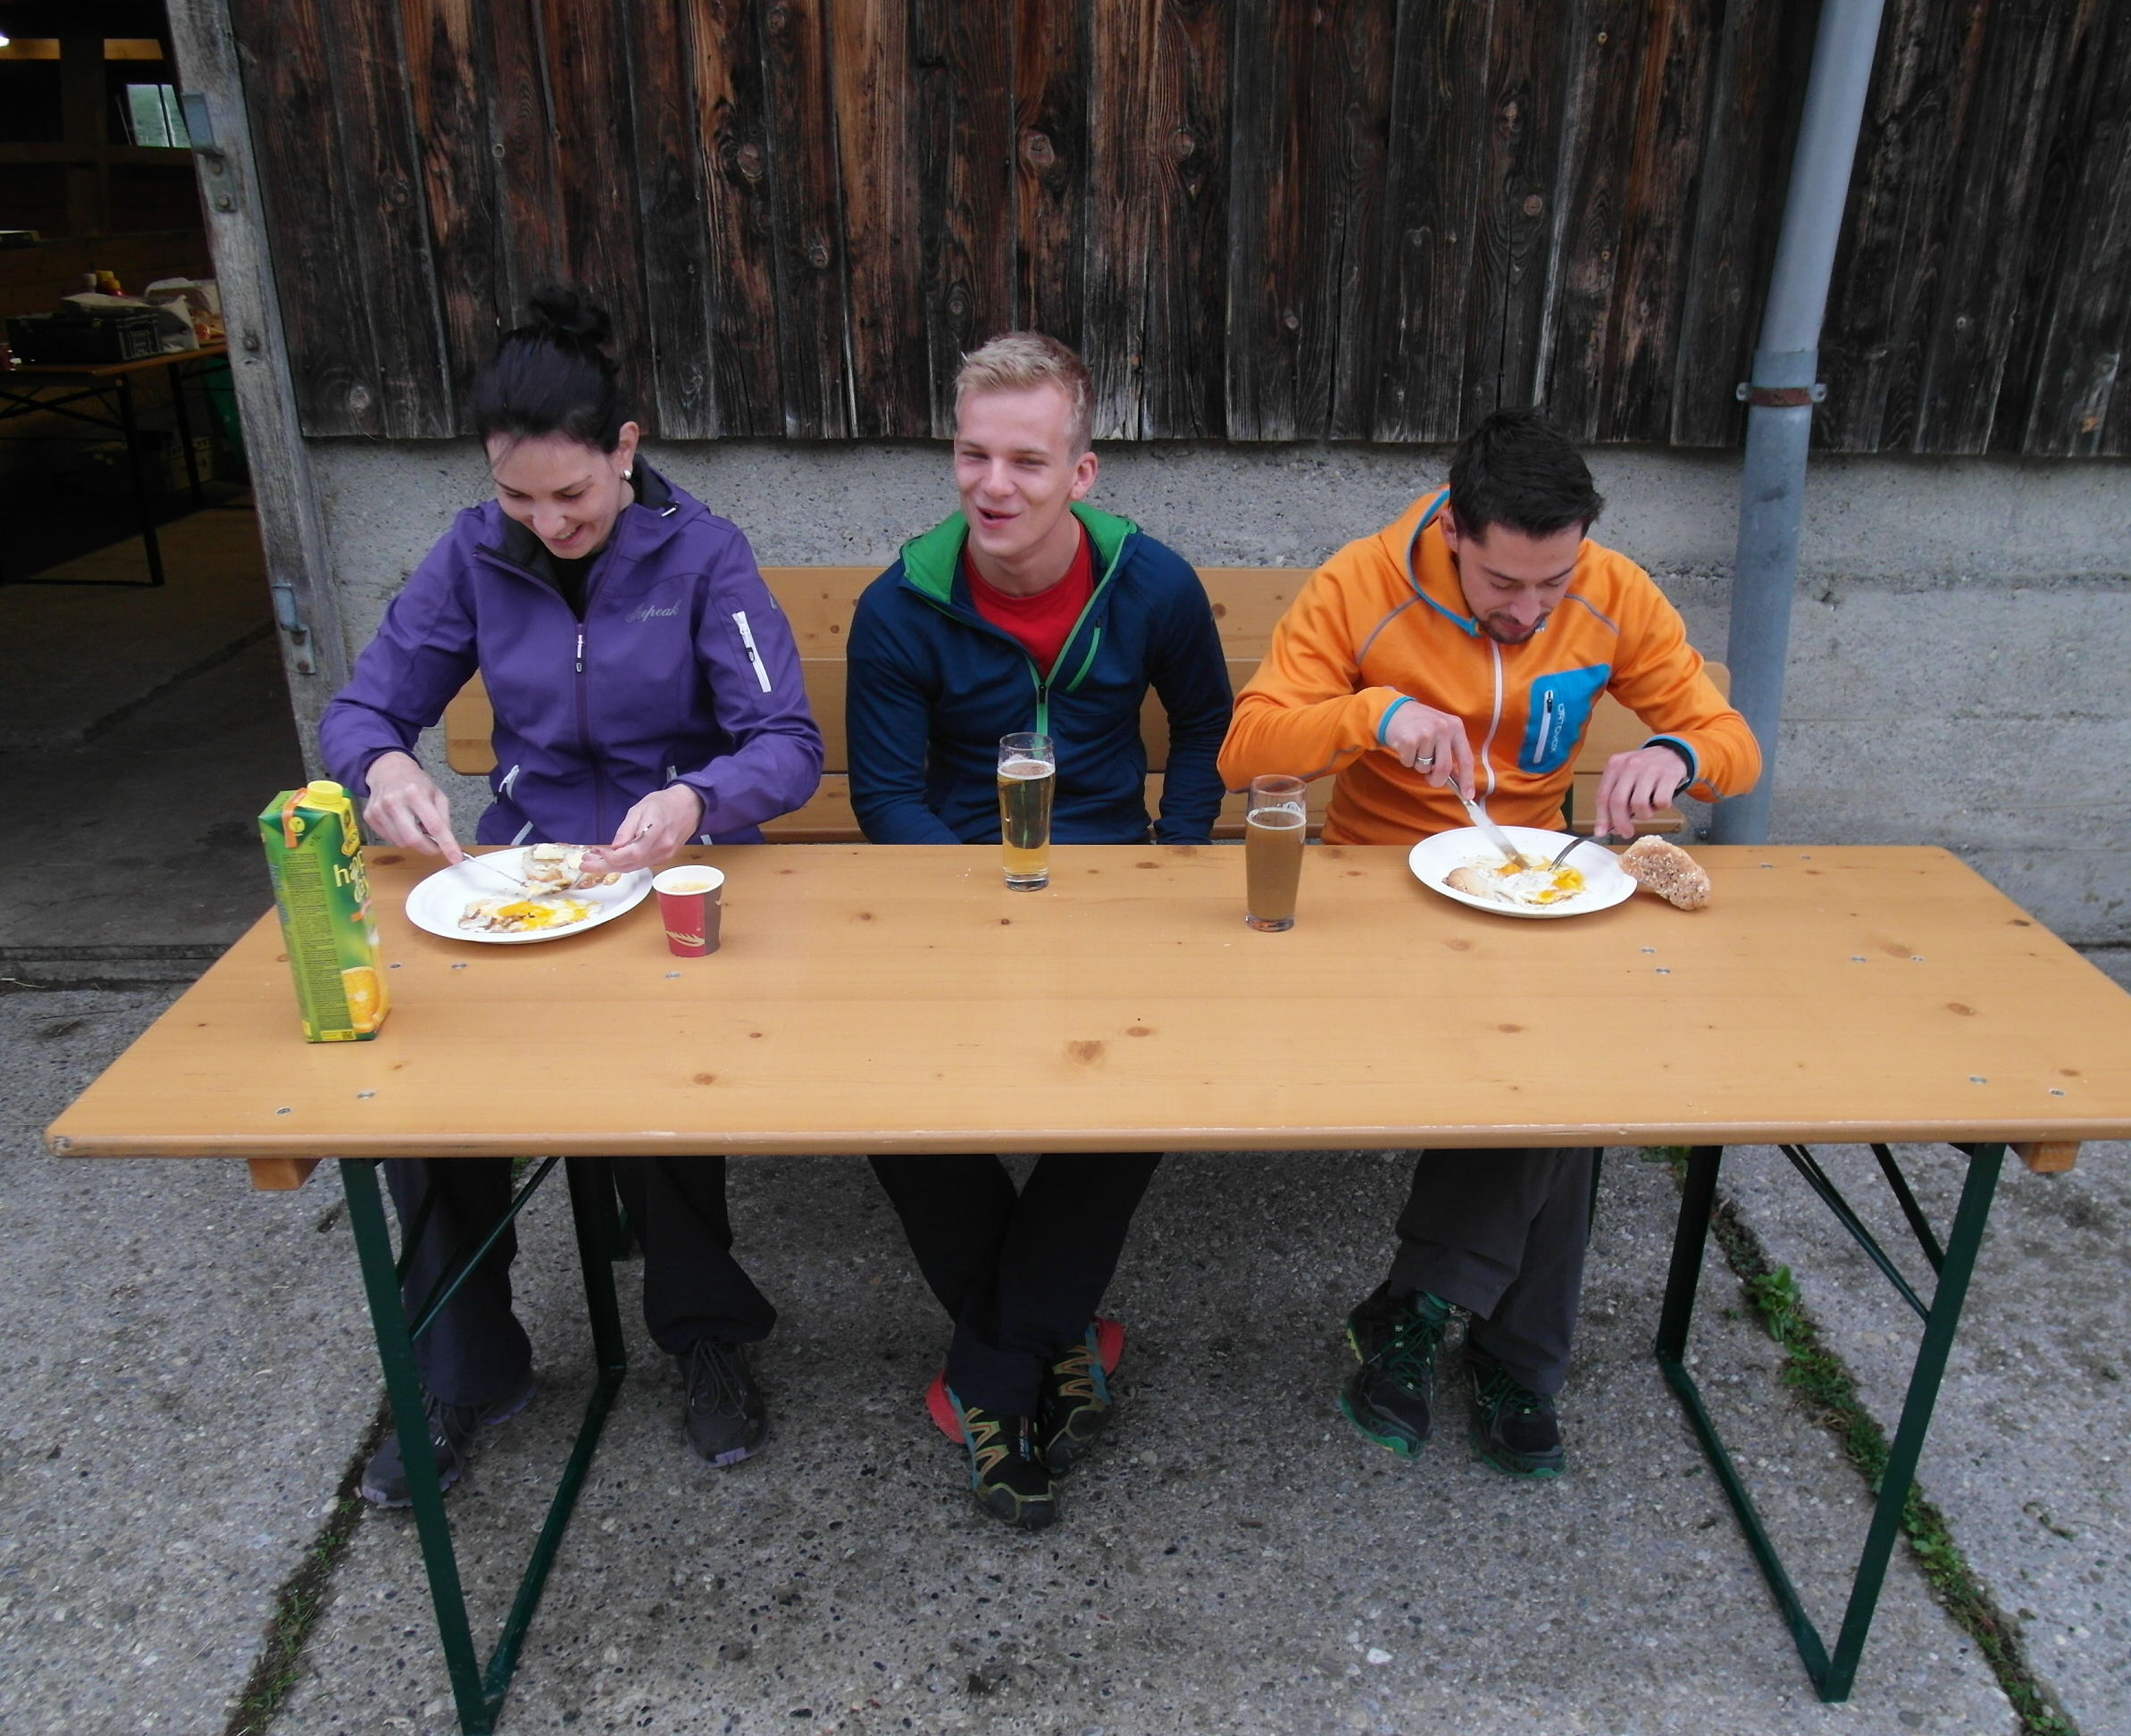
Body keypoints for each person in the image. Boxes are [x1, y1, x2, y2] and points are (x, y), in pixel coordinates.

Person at [319, 286, 823, 1506]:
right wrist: (381, 768)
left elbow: (787, 744)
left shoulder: (703, 555)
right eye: (519, 499)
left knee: (669, 1081)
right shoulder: (471, 555)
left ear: (626, 449)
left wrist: (697, 797)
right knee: (421, 1097)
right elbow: (363, 708)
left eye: (574, 497)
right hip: (521, 879)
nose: (549, 524)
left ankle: (704, 1332)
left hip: (667, 878)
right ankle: (464, 1369)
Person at [1217, 407, 1759, 1479]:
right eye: (1504, 583)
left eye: (1554, 583)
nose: (1530, 609)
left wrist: (1677, 755)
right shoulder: (1361, 585)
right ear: (1454, 532)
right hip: (1379, 894)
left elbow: (1731, 741)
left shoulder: (1613, 590)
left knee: (1569, 1059)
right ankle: (1517, 1360)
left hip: (1537, 891)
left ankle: (1420, 1306)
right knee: (1568, 1077)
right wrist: (1371, 716)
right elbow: (1246, 749)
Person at [846, 332, 1232, 1529]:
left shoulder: (1153, 584)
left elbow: (1208, 725)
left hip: (1118, 900)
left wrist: (1176, 853)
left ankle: (992, 1377)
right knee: (883, 1095)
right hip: (950, 899)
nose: (993, 485)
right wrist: (979, 910)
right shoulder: (900, 605)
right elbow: (885, 797)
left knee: (1143, 1091)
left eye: (1026, 460)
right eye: (973, 455)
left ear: (1082, 471)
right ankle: (1055, 1338)